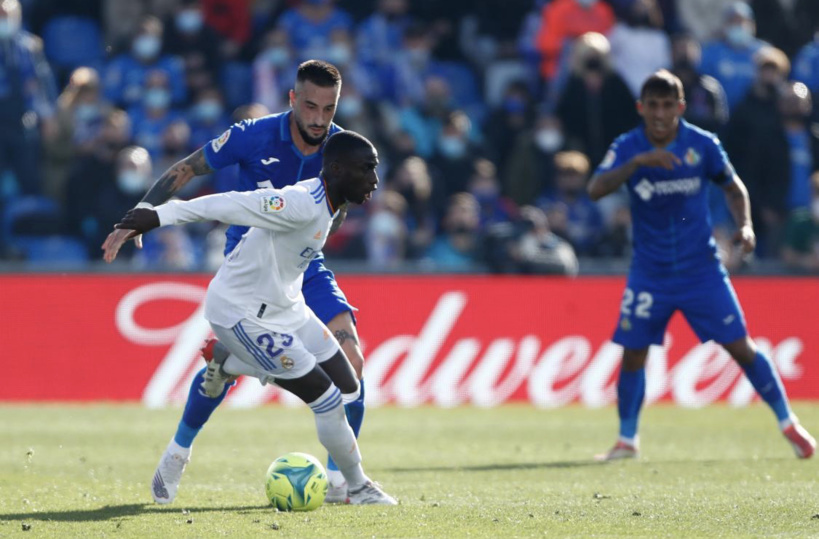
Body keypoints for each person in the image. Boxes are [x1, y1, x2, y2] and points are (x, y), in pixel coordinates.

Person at [101, 60, 369, 503]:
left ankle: (340, 482)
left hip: (304, 264)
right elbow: (186, 169)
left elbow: (337, 214)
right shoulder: (252, 135)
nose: (320, 119)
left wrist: (312, 232)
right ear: (292, 100)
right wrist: (139, 218)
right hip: (249, 265)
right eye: (310, 106)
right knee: (274, 370)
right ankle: (179, 449)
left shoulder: (341, 149)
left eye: (329, 108)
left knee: (351, 362)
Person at [587, 69, 816, 461]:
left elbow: (733, 187)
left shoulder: (702, 144)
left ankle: (788, 421)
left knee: (741, 347)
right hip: (650, 272)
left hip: (701, 270)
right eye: (652, 106)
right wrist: (637, 163)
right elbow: (595, 189)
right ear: (641, 108)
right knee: (633, 353)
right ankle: (627, 440)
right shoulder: (628, 146)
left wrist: (744, 225)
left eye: (667, 105)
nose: (659, 114)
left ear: (680, 107)